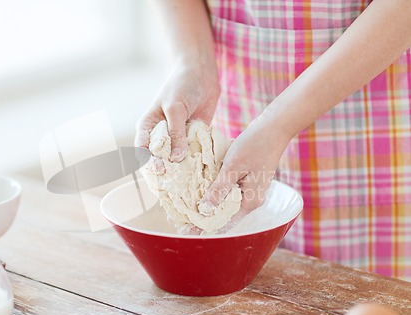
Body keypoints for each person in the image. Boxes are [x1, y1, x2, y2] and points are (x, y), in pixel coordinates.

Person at [135, 0, 411, 281]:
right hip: (236, 102)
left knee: (363, 297)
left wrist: (277, 126)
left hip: (367, 106)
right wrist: (193, 62)